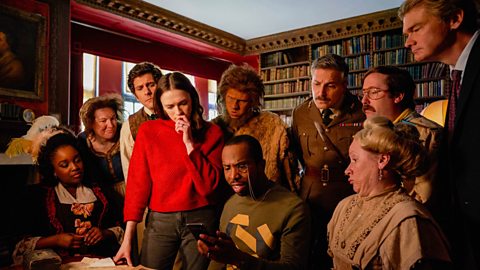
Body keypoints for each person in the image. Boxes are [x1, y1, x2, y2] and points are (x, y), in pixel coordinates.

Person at [114, 72, 224, 269]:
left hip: (201, 216)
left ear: (193, 98)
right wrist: (128, 238)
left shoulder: (212, 133)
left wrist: (189, 143)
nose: (178, 112)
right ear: (160, 107)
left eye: (183, 103)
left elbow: (209, 187)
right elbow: (138, 185)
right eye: (170, 107)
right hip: (160, 219)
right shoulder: (149, 131)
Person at [399, 0, 480, 268]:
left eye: (416, 29)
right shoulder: (456, 75)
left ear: (454, 19)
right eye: (406, 34)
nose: (407, 42)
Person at [328, 116, 451, 269]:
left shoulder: (408, 219)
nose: (347, 170)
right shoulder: (344, 207)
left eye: (355, 159)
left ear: (382, 160)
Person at [290, 53, 365, 269]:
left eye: (330, 85)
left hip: (348, 195)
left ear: (344, 84)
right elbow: (297, 153)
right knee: (309, 255)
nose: (320, 93)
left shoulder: (362, 112)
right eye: (316, 84)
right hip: (310, 196)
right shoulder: (301, 113)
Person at [197, 135, 310, 270]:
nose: (233, 176)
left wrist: (238, 259)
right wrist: (214, 253)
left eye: (242, 166)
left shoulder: (293, 209)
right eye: (227, 168)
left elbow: (293, 267)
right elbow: (218, 263)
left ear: (261, 165)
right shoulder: (230, 204)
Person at [12, 129, 123, 265]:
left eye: (77, 160)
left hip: (98, 265)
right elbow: (21, 246)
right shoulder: (39, 198)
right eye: (64, 165)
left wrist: (104, 233)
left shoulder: (101, 192)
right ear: (53, 171)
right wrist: (56, 240)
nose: (75, 167)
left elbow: (120, 229)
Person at [361, 65, 442, 205]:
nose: (364, 101)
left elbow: (421, 196)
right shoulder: (373, 130)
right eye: (363, 93)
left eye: (374, 92)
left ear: (398, 96)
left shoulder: (425, 133)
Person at [212, 64, 294, 190]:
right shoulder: (213, 128)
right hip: (224, 198)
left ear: (253, 102)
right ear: (223, 97)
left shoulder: (272, 126)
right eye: (231, 98)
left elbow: (289, 174)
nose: (234, 106)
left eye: (242, 101)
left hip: (264, 197)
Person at [78, 93, 125, 221]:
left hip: (130, 192)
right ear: (90, 123)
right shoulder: (82, 141)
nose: (110, 125)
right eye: (103, 121)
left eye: (113, 118)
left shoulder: (125, 133)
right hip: (101, 197)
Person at [120, 61, 163, 179]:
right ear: (136, 95)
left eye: (151, 84)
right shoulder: (129, 125)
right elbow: (129, 169)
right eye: (140, 88)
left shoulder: (176, 114)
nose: (147, 92)